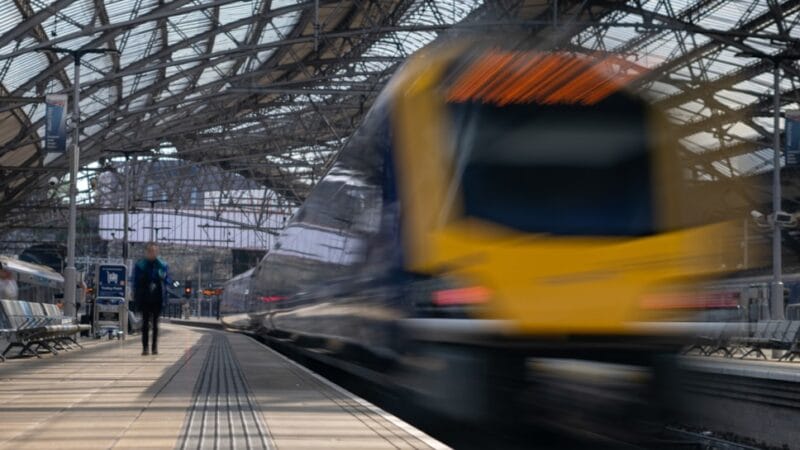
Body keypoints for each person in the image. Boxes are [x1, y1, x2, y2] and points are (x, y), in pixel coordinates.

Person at [132, 242, 170, 356]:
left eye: (154, 251)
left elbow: (168, 280)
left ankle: (154, 347)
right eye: (150, 251)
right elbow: (135, 282)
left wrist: (163, 278)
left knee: (155, 324)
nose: (152, 253)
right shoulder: (140, 265)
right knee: (145, 323)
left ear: (157, 252)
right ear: (146, 252)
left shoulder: (162, 265)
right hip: (144, 298)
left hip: (157, 298)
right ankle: (145, 348)